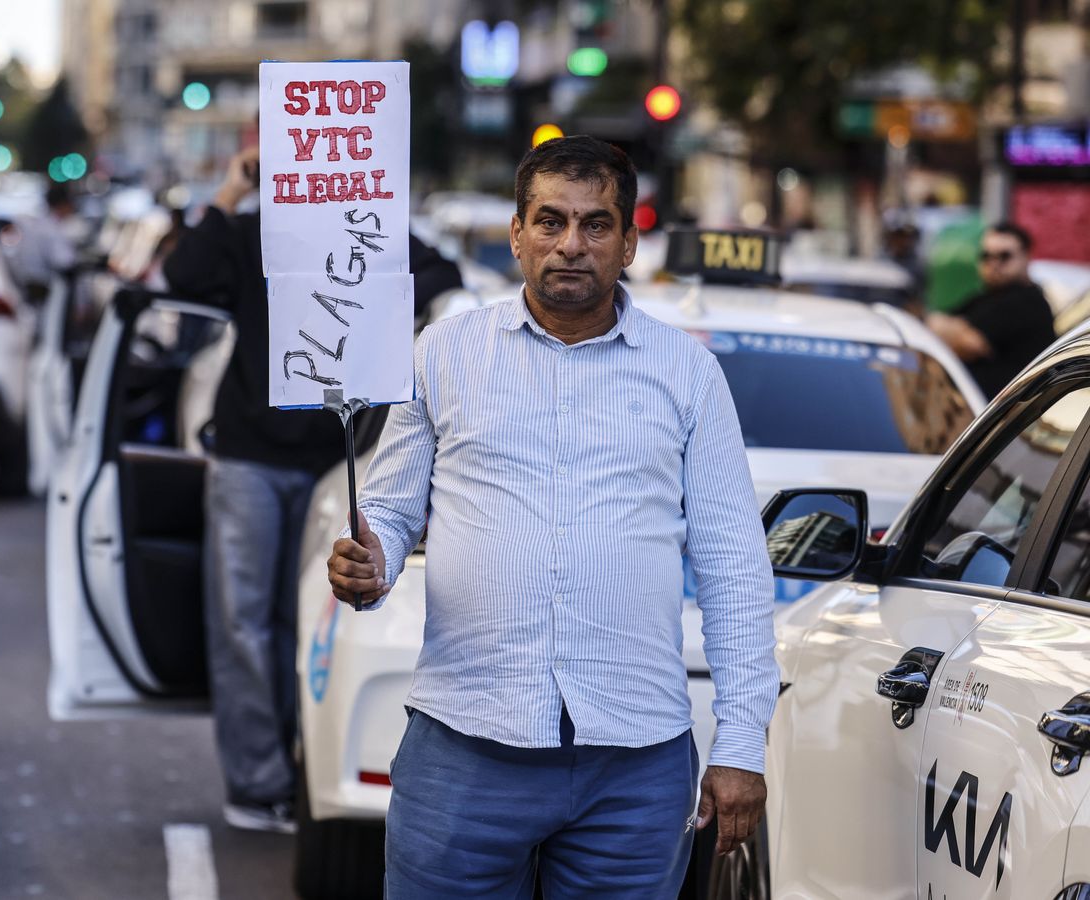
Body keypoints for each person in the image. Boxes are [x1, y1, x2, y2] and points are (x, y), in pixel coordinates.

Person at [326, 136, 777, 896]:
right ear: (517, 234)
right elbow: (392, 511)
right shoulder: (444, 352)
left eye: (596, 225)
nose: (572, 245)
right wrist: (369, 560)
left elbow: (735, 568)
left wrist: (740, 747)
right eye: (550, 222)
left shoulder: (687, 372)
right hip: (464, 745)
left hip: (633, 765)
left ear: (630, 242)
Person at [164, 144, 462, 834]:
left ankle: (303, 770)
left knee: (312, 626)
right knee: (243, 622)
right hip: (249, 458)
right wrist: (232, 187)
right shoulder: (249, 234)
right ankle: (259, 781)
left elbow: (441, 278)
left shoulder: (374, 237)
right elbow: (183, 271)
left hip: (339, 460)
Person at [927, 222, 1055, 399]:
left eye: (1004, 256)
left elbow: (968, 344)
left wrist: (952, 332)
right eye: (986, 256)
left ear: (1026, 257)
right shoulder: (984, 297)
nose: (994, 263)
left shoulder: (1027, 301)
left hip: (1002, 417)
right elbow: (932, 324)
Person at [4, 183, 78, 303]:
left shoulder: (36, 224)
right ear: (64, 205)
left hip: (26, 287)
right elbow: (65, 261)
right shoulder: (52, 229)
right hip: (45, 291)